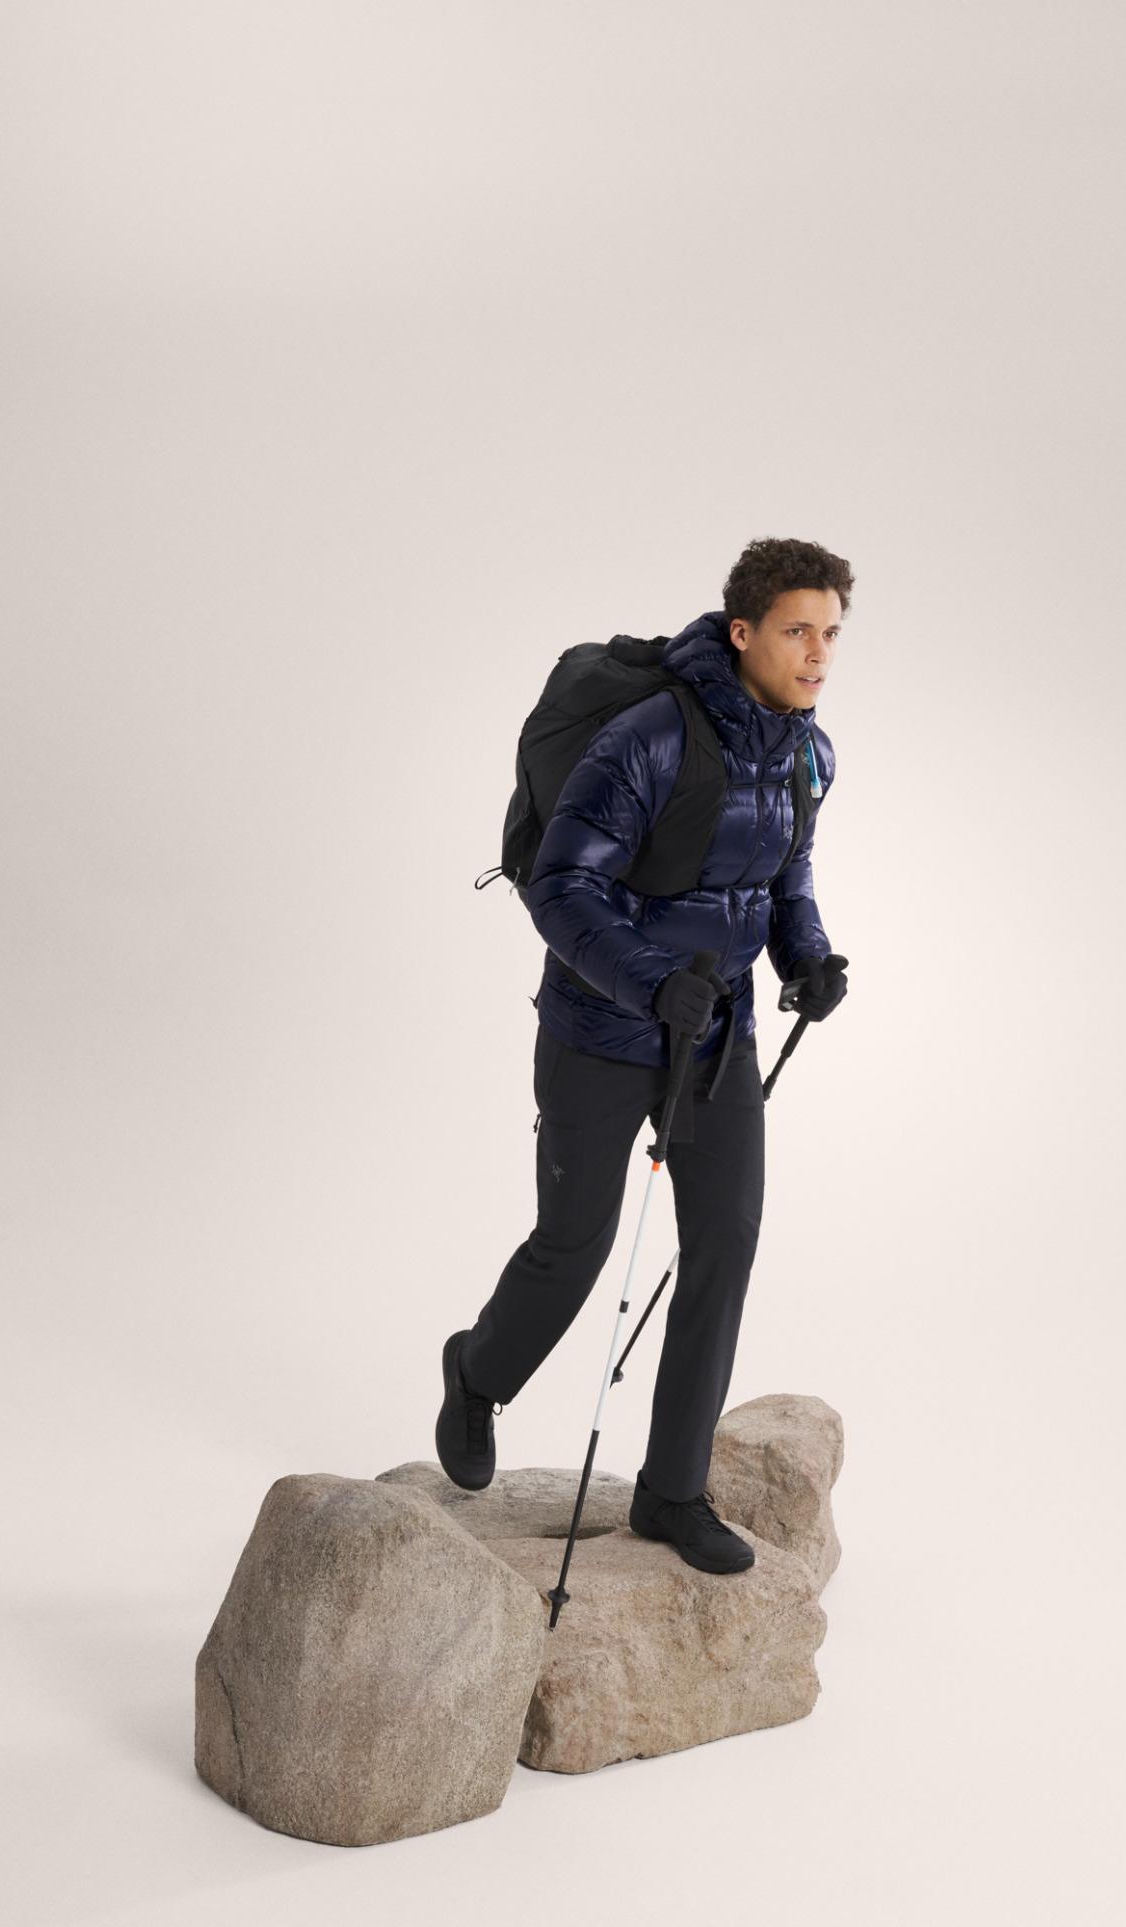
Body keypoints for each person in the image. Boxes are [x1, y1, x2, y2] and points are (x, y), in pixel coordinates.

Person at [437, 536, 851, 1573]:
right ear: (743, 631)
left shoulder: (808, 753)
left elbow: (784, 876)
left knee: (723, 1247)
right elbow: (562, 883)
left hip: (717, 1036)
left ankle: (671, 1492)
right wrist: (648, 980)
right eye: (797, 630)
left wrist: (806, 957)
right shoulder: (648, 737)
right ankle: (477, 1373)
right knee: (574, 1245)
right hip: (601, 1032)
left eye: (831, 633)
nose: (817, 653)